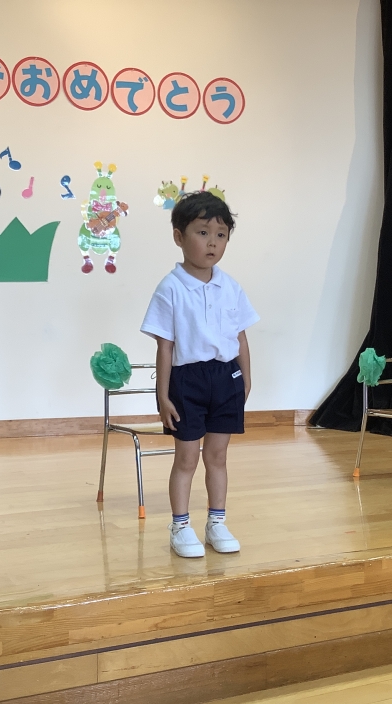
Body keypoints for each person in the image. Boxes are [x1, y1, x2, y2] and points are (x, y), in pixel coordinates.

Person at [141, 192, 259, 557]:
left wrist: (246, 380)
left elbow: (241, 338)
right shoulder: (170, 288)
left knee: (218, 456)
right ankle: (180, 526)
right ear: (179, 236)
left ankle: (216, 522)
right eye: (203, 232)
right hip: (187, 381)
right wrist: (163, 396)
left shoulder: (231, 287)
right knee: (187, 458)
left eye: (220, 235)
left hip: (226, 379)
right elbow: (165, 347)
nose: (212, 242)